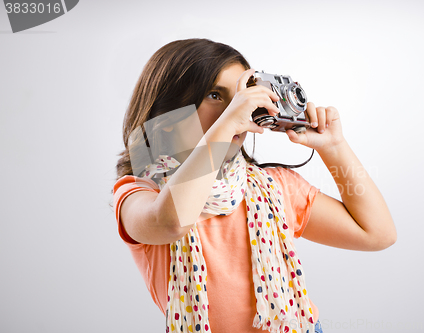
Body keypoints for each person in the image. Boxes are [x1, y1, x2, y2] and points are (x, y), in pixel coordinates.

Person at [112, 38, 397, 333]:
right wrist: (229, 121)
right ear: (168, 117)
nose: (238, 108)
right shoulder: (140, 195)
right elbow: (171, 223)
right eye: (215, 95)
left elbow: (378, 234)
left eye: (241, 96)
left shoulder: (273, 189)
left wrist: (334, 146)